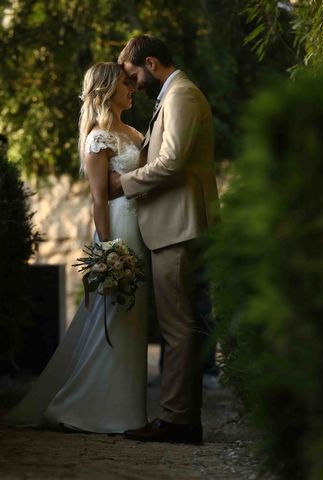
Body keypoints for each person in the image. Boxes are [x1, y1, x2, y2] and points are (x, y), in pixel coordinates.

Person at [2, 62, 149, 434]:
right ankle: (85, 408)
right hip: (118, 230)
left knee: (134, 319)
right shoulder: (98, 138)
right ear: (106, 90)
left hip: (142, 230)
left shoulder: (133, 132)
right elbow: (99, 200)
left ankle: (129, 411)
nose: (131, 88)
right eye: (124, 84)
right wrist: (109, 250)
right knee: (113, 318)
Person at [109, 35, 220, 445]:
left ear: (151, 62)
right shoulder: (174, 96)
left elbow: (171, 162)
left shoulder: (181, 96)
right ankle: (182, 418)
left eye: (134, 75)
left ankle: (178, 421)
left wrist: (123, 184)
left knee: (177, 327)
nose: (134, 85)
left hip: (179, 225)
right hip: (177, 224)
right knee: (181, 325)